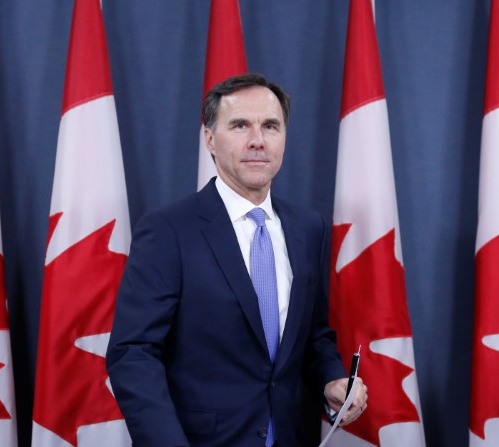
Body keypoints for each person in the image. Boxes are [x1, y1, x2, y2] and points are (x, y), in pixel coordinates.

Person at [106, 73, 367, 447]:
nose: (257, 141)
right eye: (240, 125)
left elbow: (313, 336)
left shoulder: (309, 228)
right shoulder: (168, 230)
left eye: (271, 126)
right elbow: (133, 355)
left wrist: (332, 379)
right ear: (210, 139)